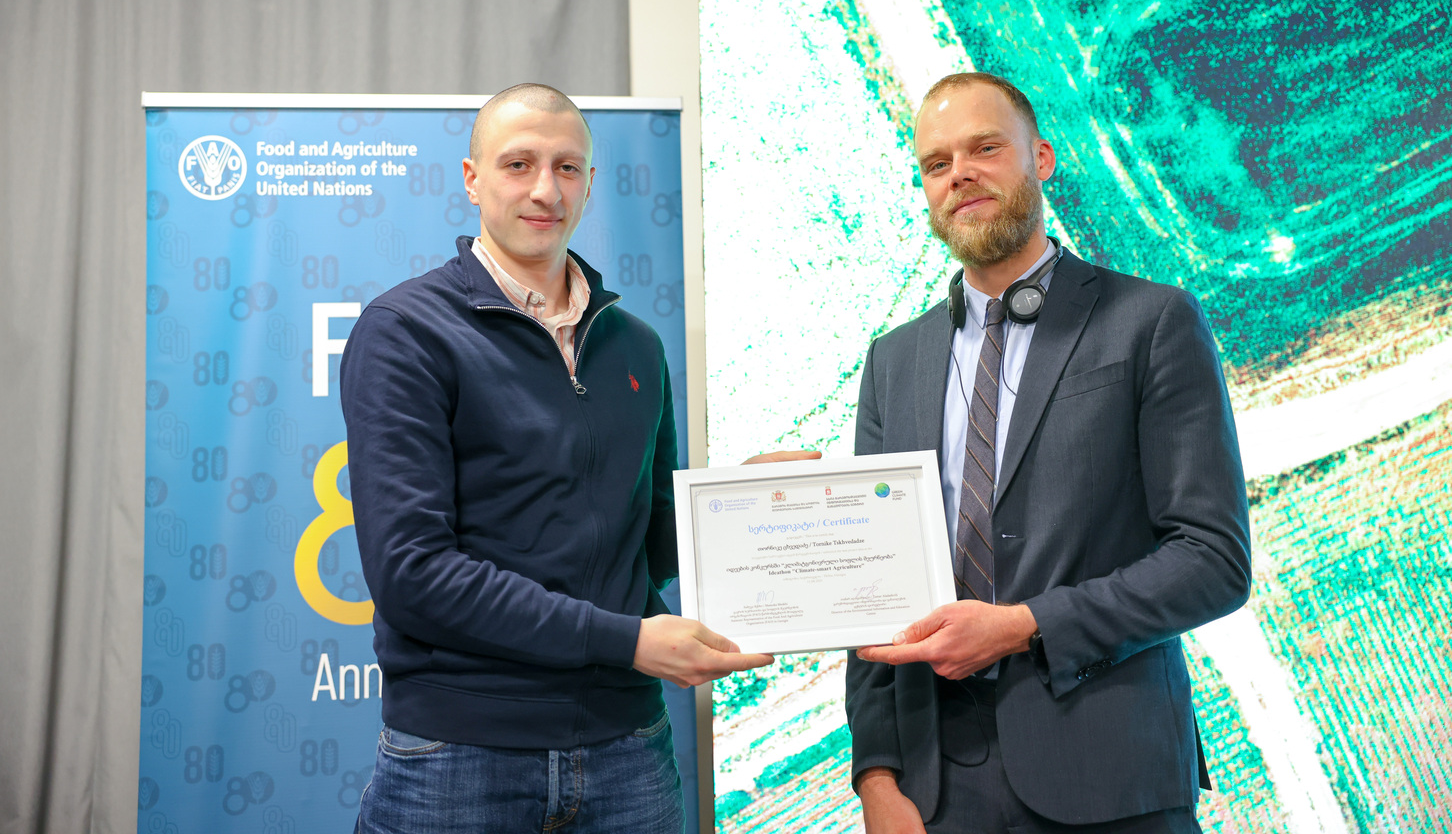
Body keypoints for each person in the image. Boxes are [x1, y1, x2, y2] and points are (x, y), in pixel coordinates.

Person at [342, 83, 810, 834]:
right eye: (518, 164)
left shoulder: (635, 345)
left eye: (566, 168)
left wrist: (745, 506)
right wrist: (629, 641)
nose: (544, 189)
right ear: (472, 180)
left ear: (590, 183)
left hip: (627, 748)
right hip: (460, 755)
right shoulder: (407, 331)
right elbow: (412, 574)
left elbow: (648, 540)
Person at [845, 73, 1252, 834]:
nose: (960, 174)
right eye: (937, 163)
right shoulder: (892, 362)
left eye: (985, 149)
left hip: (1113, 777)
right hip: (937, 794)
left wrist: (1023, 624)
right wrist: (875, 776)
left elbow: (1212, 561)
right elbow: (873, 586)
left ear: (1041, 158)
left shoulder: (1151, 320)